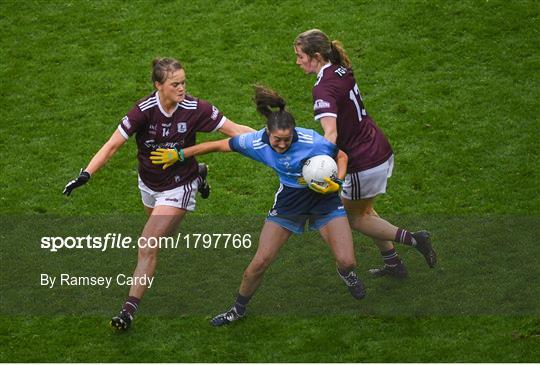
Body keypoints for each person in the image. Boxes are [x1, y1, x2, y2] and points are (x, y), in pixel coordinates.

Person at [62, 57, 254, 330]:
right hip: (149, 184)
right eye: (175, 84)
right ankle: (200, 173)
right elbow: (112, 145)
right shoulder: (143, 111)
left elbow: (235, 130)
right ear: (158, 86)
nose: (182, 88)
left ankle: (127, 312)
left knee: (147, 243)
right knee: (164, 238)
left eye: (184, 82)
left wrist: (269, 141)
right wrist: (86, 174)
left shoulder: (196, 108)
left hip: (179, 184)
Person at [151, 85, 366, 326]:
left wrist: (337, 181)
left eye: (287, 139)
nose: (282, 145)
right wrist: (181, 154)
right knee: (259, 262)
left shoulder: (312, 141)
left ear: (294, 132)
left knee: (348, 261)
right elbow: (218, 145)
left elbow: (342, 156)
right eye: (277, 140)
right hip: (290, 202)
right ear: (267, 132)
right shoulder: (255, 142)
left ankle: (346, 274)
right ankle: (237, 310)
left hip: (324, 199)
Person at [293, 29, 437, 278]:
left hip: (363, 161)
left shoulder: (323, 89)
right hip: (377, 146)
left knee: (353, 217)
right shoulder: (340, 68)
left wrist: (319, 168)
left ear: (316, 55)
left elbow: (331, 134)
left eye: (300, 56)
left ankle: (415, 240)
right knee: (365, 210)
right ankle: (393, 265)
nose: (297, 62)